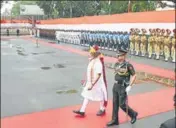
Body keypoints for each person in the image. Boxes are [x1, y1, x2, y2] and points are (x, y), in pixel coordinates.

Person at [73, 45, 108, 116]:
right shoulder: (92, 60)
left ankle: (102, 109)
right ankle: (82, 110)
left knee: (100, 96)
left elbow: (98, 75)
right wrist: (86, 81)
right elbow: (89, 72)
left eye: (91, 52)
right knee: (87, 95)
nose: (89, 53)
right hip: (90, 82)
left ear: (94, 53)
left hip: (97, 84)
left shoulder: (98, 62)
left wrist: (92, 84)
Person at [106, 48, 138, 127]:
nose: (118, 57)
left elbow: (134, 75)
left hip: (123, 86)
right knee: (115, 103)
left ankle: (133, 114)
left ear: (124, 56)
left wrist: (130, 86)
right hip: (116, 85)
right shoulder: (117, 64)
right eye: (117, 55)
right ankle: (115, 120)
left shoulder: (128, 65)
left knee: (122, 104)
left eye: (119, 56)